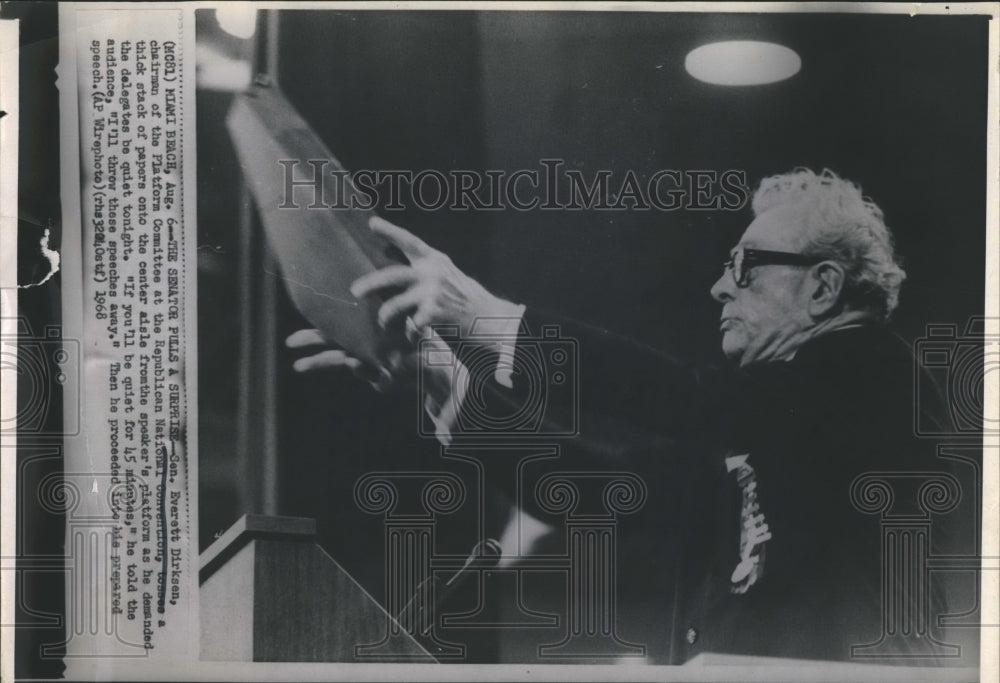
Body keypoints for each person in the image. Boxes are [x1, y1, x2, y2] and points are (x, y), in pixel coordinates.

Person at [288, 168, 968, 663]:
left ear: (823, 286)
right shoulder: (761, 421)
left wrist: (485, 316)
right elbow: (600, 494)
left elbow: (690, 397)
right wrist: (449, 389)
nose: (719, 285)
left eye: (745, 265)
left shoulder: (876, 375)